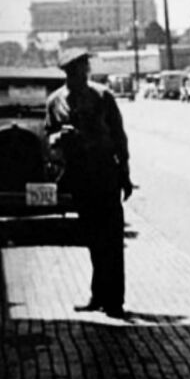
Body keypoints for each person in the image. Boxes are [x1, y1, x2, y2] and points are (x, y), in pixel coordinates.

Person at [46, 48, 133, 319]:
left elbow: (119, 137)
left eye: (84, 70)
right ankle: (99, 295)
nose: (82, 75)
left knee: (112, 239)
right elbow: (48, 136)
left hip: (106, 174)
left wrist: (125, 175)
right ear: (67, 74)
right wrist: (59, 137)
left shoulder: (103, 96)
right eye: (76, 72)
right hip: (79, 178)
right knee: (94, 239)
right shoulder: (56, 101)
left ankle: (114, 301)